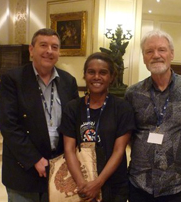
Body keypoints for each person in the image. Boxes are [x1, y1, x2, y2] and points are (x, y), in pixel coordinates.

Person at [0, 28, 79, 202]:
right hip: (23, 170)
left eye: (55, 47)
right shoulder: (13, 79)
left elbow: (74, 123)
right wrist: (34, 159)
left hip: (59, 170)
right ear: (31, 49)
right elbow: (9, 126)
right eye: (43, 45)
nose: (49, 51)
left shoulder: (68, 81)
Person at [125, 29, 181, 202]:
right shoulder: (133, 93)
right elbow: (129, 135)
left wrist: (178, 152)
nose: (156, 55)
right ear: (144, 58)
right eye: (149, 51)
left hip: (177, 183)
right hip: (140, 182)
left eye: (161, 49)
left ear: (171, 54)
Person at [58, 52, 135, 202]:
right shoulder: (72, 108)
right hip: (79, 183)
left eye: (103, 73)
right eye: (91, 72)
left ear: (112, 77)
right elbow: (69, 149)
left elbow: (119, 151)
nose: (96, 77)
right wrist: (82, 185)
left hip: (114, 184)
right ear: (85, 75)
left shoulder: (122, 108)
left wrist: (98, 183)